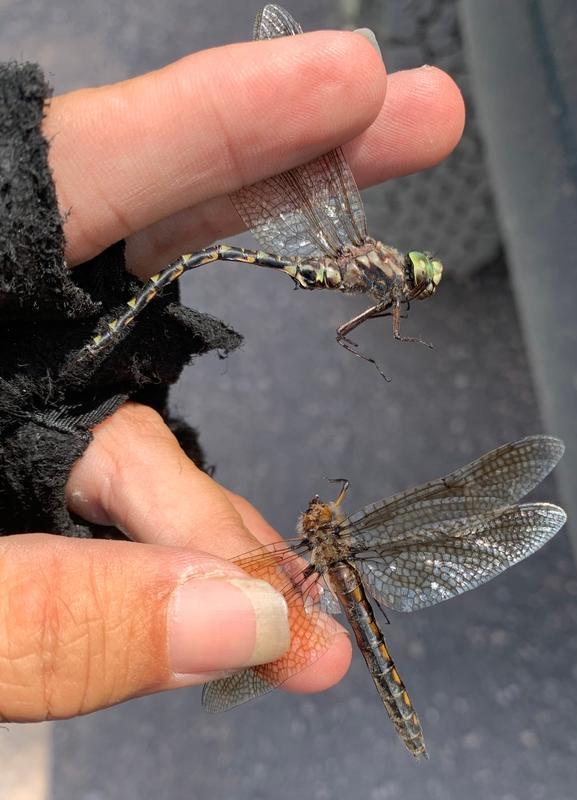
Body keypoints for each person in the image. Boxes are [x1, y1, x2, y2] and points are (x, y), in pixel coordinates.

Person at [0, 27, 464, 721]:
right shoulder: (372, 264)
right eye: (416, 281)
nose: (414, 285)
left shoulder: (376, 272)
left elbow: (358, 317)